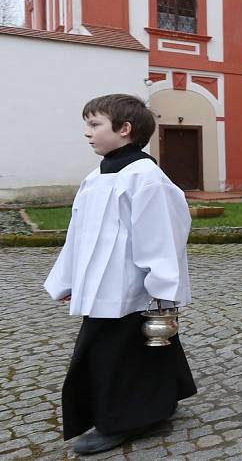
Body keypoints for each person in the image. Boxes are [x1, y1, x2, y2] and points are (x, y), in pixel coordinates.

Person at [44, 94, 196, 454]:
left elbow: (162, 239)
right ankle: (163, 400)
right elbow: (78, 235)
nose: (87, 133)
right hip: (101, 287)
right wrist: (69, 281)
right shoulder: (95, 177)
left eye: (95, 124)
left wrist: (161, 294)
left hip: (132, 290)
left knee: (110, 354)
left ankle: (121, 420)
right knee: (141, 351)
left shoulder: (146, 178)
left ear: (125, 129)